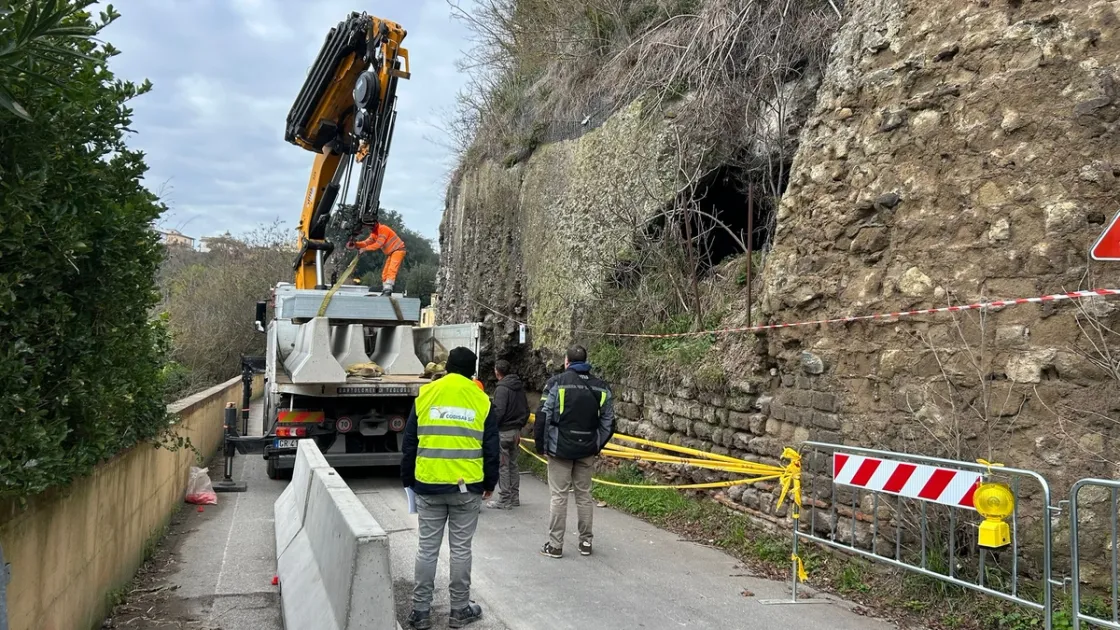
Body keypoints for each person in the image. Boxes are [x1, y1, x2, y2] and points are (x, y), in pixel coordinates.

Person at [401, 346, 499, 629]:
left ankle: (420, 613)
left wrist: (409, 479)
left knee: (427, 549)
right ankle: (459, 611)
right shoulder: (481, 399)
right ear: (472, 372)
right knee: (461, 550)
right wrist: (489, 483)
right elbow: (491, 448)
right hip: (466, 488)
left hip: (429, 484)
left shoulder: (427, 394)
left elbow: (409, 444)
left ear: (447, 367)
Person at [535, 345, 615, 558]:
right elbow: (609, 421)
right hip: (587, 448)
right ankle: (586, 543)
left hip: (559, 449)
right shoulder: (601, 387)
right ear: (586, 361)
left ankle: (555, 545)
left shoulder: (556, 384)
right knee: (584, 495)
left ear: (567, 362)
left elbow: (543, 416)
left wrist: (542, 446)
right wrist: (597, 443)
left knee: (559, 496)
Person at [486, 359, 530, 509]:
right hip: (516, 432)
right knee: (513, 464)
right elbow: (526, 409)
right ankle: (514, 497)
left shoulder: (502, 389)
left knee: (503, 466)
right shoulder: (519, 387)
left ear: (497, 372)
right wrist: (520, 425)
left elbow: (499, 412)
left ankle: (504, 499)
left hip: (503, 432)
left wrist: (492, 427)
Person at [348, 220, 406, 296]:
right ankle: (386, 290)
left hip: (398, 250)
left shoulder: (382, 229)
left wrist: (365, 249)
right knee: (385, 273)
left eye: (369, 226)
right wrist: (356, 244)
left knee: (391, 270)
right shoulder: (374, 233)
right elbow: (366, 243)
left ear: (373, 224)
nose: (368, 228)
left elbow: (378, 244)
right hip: (392, 253)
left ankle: (388, 290)